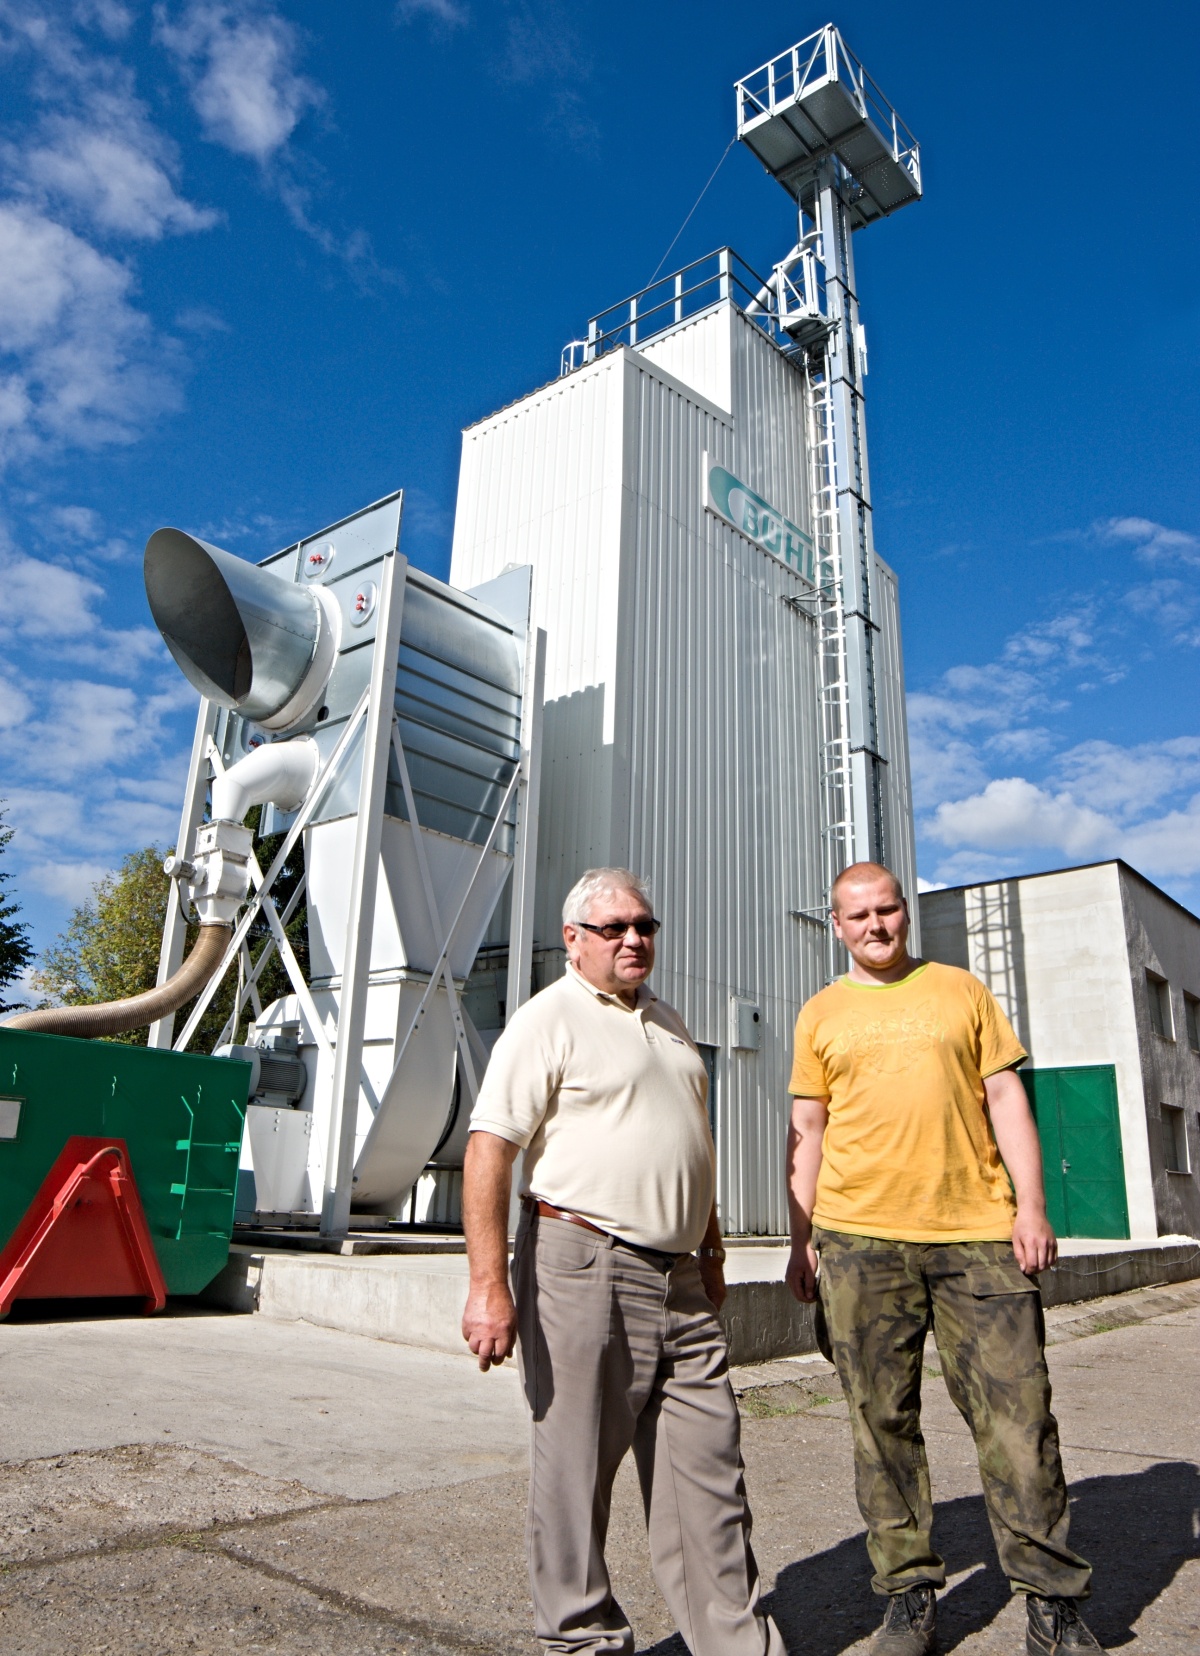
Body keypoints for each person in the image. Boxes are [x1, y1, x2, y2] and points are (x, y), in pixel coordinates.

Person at [461, 866, 785, 1656]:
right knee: (574, 1471)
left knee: (710, 1473)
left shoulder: (668, 1020)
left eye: (645, 925)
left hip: (681, 1278)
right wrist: (487, 1287)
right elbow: (489, 1148)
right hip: (583, 1262)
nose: (635, 939)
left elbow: (690, 1144)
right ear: (573, 939)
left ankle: (735, 1644)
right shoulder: (550, 1018)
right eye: (616, 928)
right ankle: (581, 1641)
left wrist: (708, 1246)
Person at [786, 861, 1103, 1656]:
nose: (876, 927)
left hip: (976, 1236)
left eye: (887, 910)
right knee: (879, 1425)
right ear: (836, 925)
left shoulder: (961, 991)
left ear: (905, 911)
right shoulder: (819, 1013)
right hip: (859, 1241)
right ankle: (909, 1595)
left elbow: (1005, 1099)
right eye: (857, 916)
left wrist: (1031, 1208)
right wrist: (802, 1239)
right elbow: (807, 1132)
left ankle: (1054, 1602)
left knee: (1019, 1420)